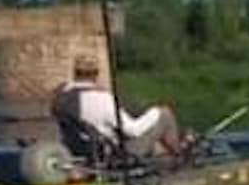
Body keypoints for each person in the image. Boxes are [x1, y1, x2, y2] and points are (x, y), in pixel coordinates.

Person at [52, 55, 195, 159]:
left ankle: (165, 157)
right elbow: (133, 130)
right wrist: (154, 113)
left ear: (75, 72)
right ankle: (180, 155)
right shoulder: (102, 99)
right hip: (116, 153)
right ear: (96, 74)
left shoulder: (61, 98)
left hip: (82, 149)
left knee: (154, 144)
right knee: (165, 114)